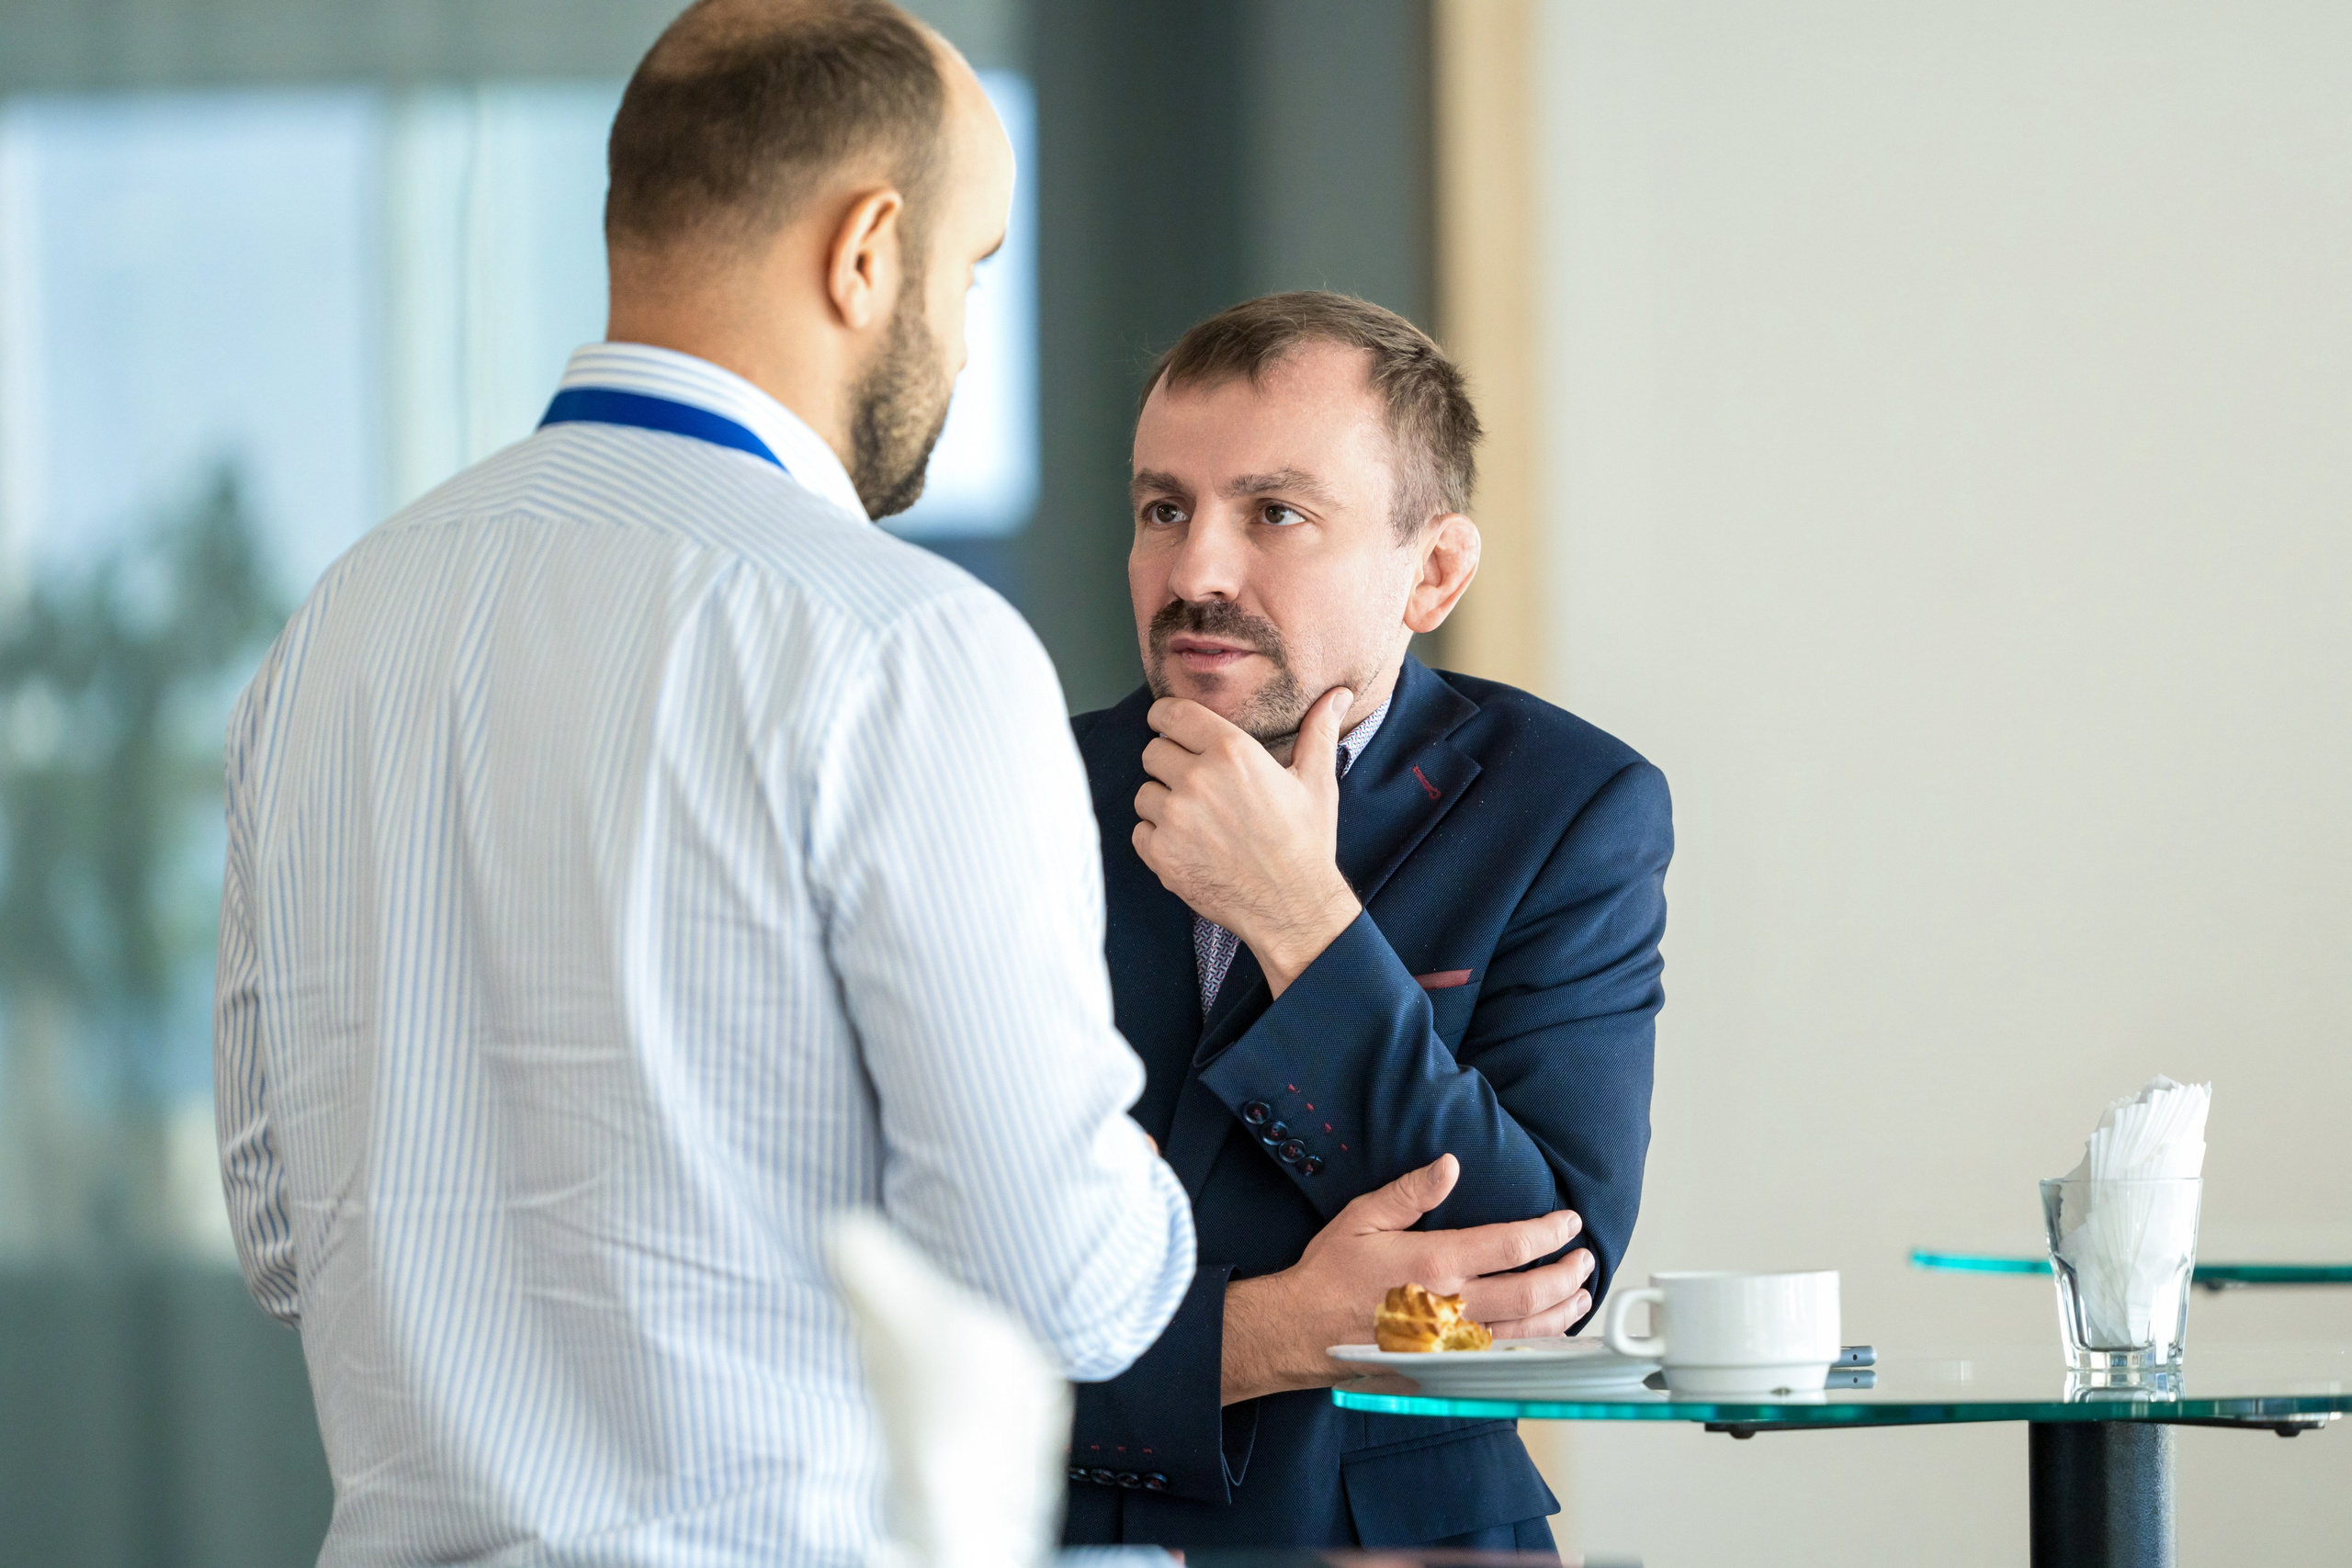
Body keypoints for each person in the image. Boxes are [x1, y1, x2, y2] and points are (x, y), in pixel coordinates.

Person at [209, 6, 1199, 1563]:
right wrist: (1119, 1180)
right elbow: (1055, 1273)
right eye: (973, 269)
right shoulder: (906, 646)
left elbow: (279, 1241)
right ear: (870, 252)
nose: (963, 328)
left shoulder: (330, 635)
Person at [1060, 292, 1674, 1551]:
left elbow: (1538, 1271)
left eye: (1275, 513)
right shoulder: (1010, 794)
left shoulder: (1570, 809)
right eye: (1163, 509)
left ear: (1433, 570)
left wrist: (1305, 927)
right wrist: (1273, 1328)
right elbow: (905, 1300)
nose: (1196, 574)